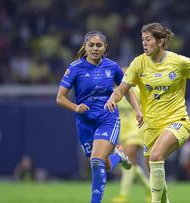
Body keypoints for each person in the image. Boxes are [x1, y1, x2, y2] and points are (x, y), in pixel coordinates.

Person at [105, 22, 190, 203]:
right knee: (154, 171)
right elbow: (123, 88)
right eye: (142, 40)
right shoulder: (138, 63)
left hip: (177, 121)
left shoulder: (178, 62)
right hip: (151, 126)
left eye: (148, 40)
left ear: (161, 41)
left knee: (156, 156)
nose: (144, 44)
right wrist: (113, 99)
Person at [56, 31, 143, 203]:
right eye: (91, 45)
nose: (95, 48)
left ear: (105, 48)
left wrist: (137, 110)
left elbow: (127, 89)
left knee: (96, 161)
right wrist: (75, 107)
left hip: (107, 118)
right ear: (85, 47)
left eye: (99, 45)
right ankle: (118, 156)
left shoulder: (112, 67)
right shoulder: (75, 68)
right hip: (84, 122)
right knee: (102, 163)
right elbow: (60, 98)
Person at [111, 71, 150, 203]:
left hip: (137, 128)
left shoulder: (138, 89)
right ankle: (149, 188)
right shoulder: (116, 92)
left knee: (128, 156)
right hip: (123, 131)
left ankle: (123, 195)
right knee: (130, 162)